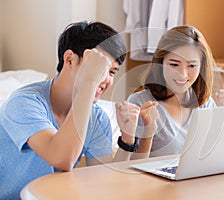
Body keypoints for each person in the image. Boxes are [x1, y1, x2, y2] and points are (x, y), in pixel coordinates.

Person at [0, 21, 157, 199]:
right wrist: (89, 82)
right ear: (69, 60)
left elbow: (104, 182)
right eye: (100, 68)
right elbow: (62, 158)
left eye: (112, 72)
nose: (106, 79)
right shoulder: (23, 103)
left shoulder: (96, 117)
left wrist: (127, 138)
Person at [128, 25, 224, 157]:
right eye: (174, 64)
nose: (182, 75)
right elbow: (132, 168)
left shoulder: (205, 104)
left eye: (191, 66)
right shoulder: (139, 103)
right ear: (160, 62)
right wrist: (147, 131)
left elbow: (219, 156)